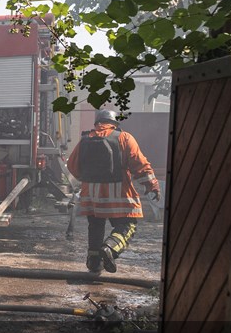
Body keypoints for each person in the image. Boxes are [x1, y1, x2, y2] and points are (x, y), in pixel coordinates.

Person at [66, 107, 161, 273]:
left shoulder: (85, 139)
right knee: (128, 225)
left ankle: (94, 263)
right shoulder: (124, 137)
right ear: (114, 123)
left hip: (91, 196)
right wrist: (152, 185)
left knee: (95, 226)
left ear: (98, 123)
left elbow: (72, 165)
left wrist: (88, 179)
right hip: (119, 194)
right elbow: (139, 163)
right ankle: (110, 248)